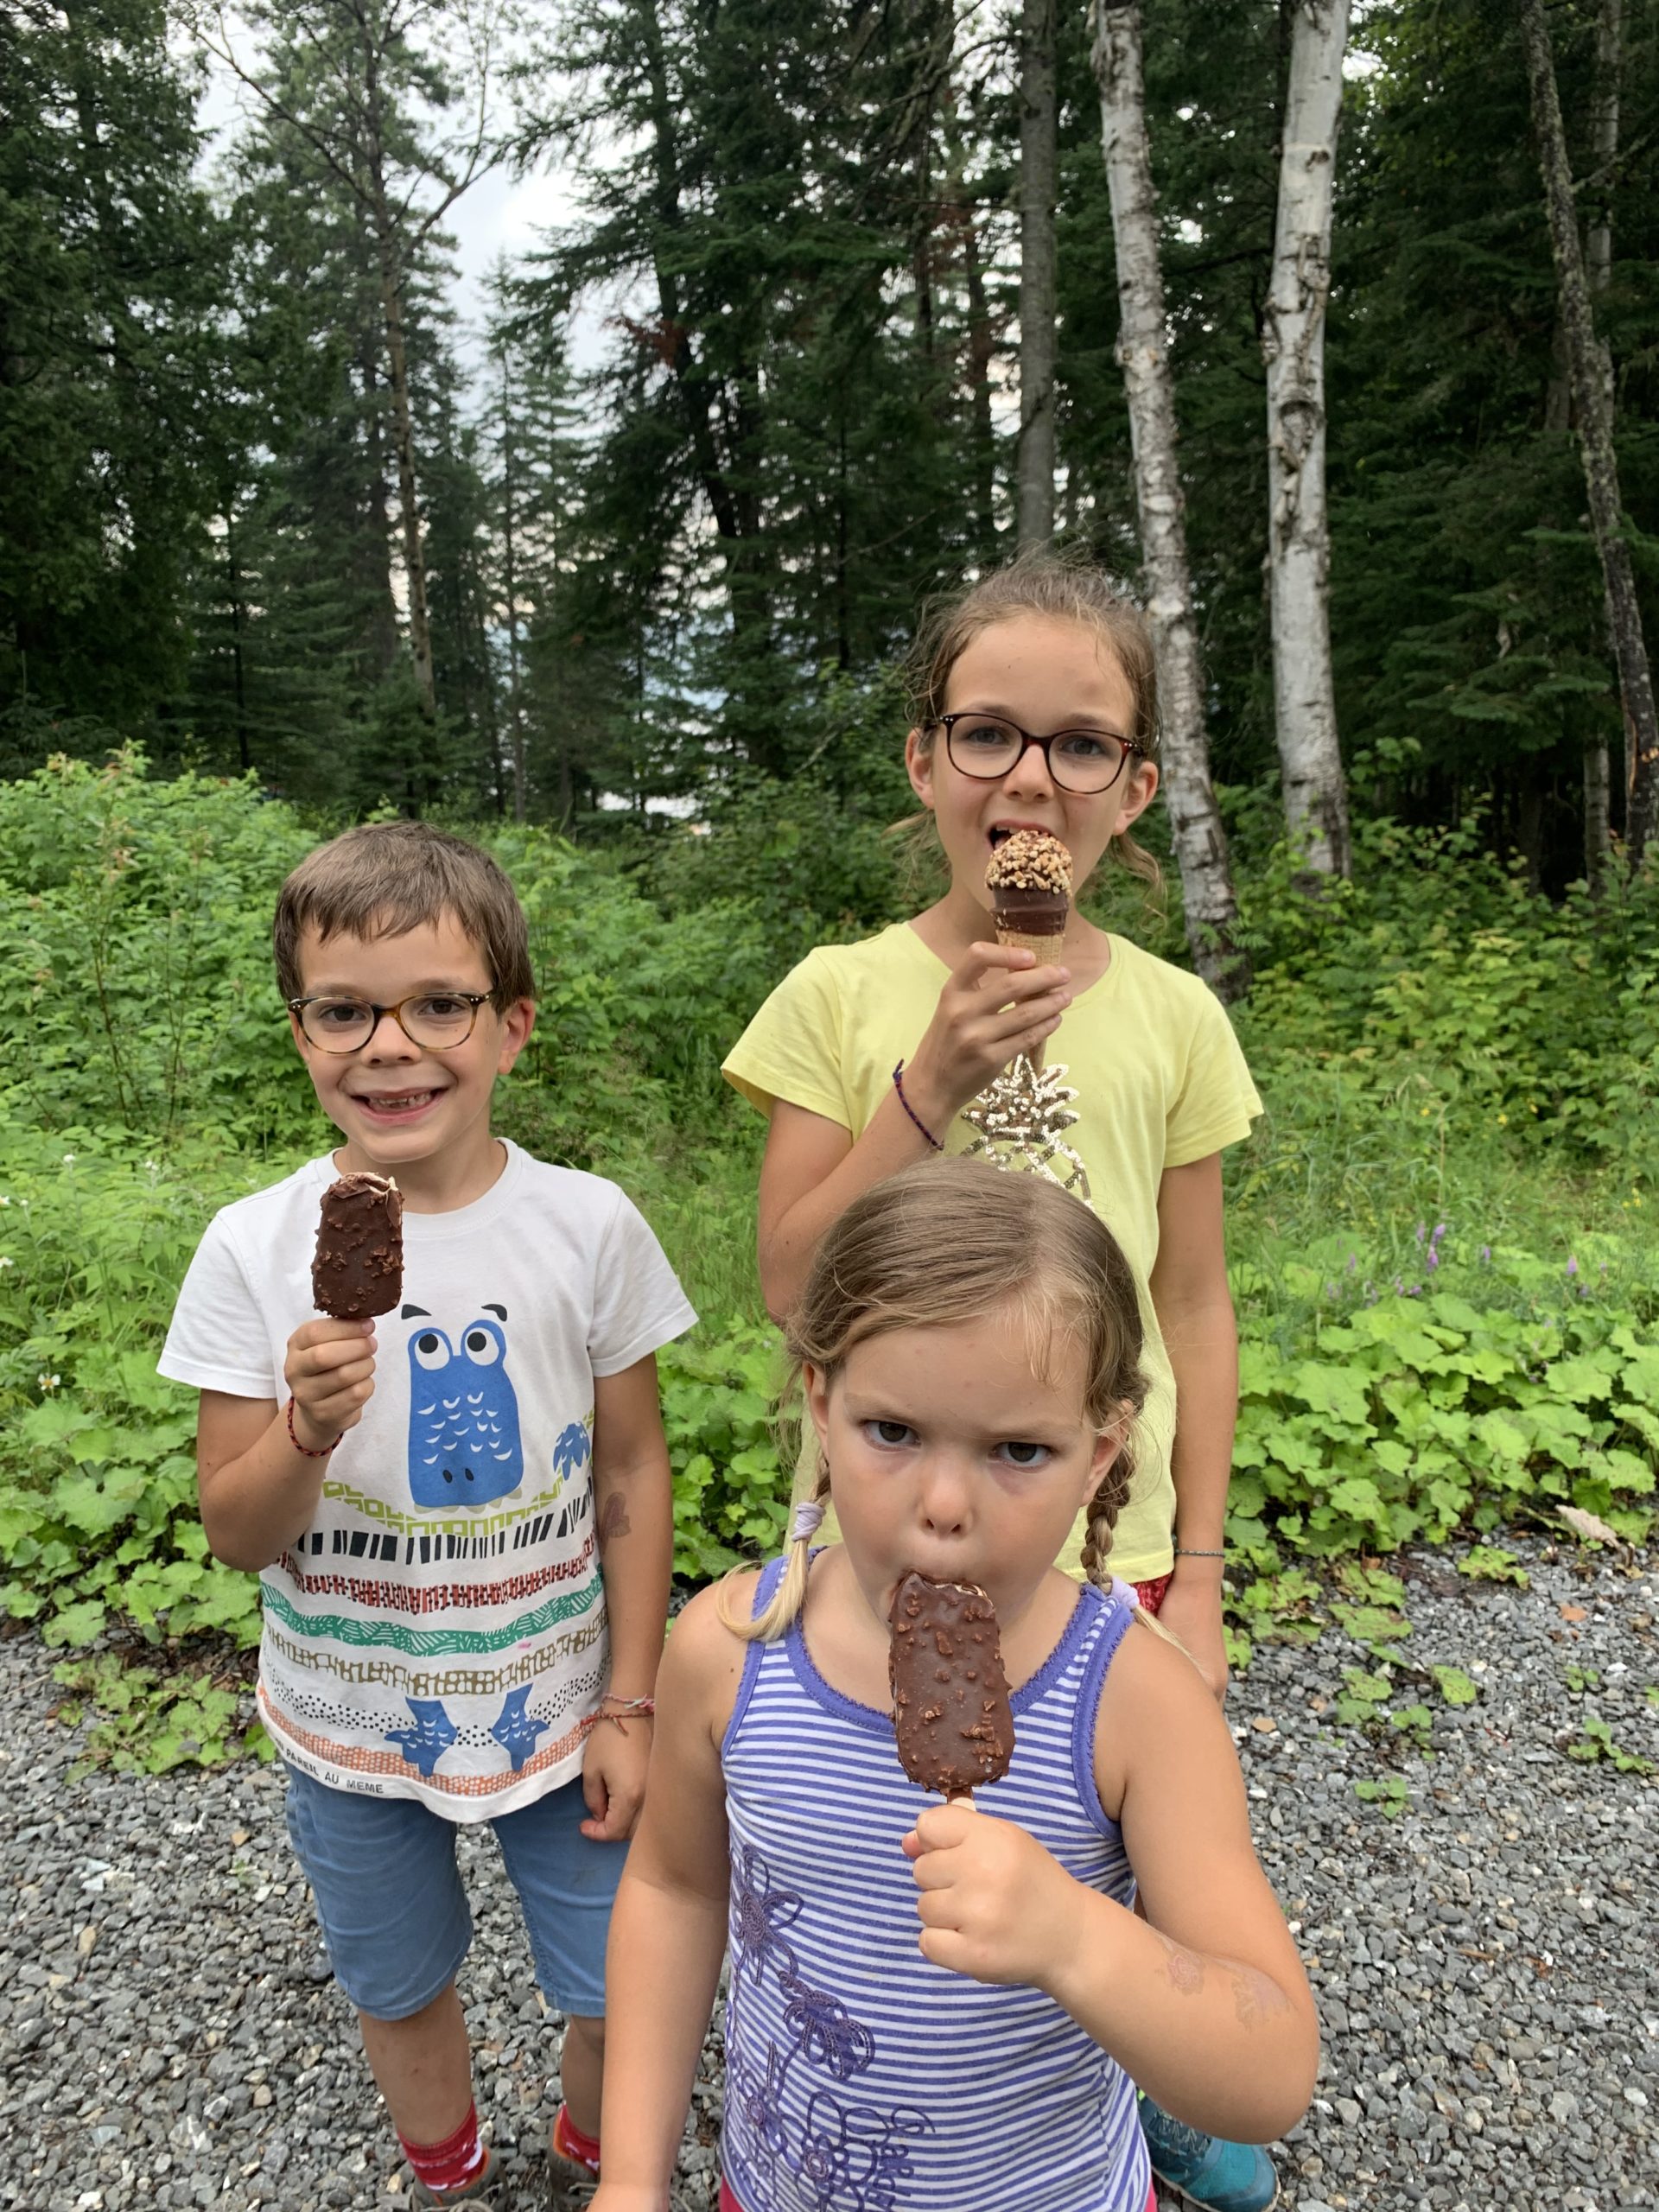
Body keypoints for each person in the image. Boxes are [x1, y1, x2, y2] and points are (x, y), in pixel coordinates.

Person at [721, 551, 1270, 2209]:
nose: (1031, 779)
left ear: (1136, 788)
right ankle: (897, 2072)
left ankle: (1138, 2077)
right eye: (988, 734)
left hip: (1102, 1530)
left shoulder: (1173, 1016)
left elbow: (1193, 1303)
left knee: (1110, 1826)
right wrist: (934, 1074)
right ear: (924, 761)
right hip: (885, 1511)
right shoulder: (842, 995)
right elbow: (786, 1283)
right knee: (890, 1819)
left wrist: (1201, 1571)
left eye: (1081, 743)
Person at [589, 1159, 1318, 2212]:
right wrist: (631, 2176)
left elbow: (1272, 2070)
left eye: (1018, 1449)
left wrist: (1076, 1939)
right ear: (822, 1403)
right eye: (893, 1432)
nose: (942, 1503)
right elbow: (675, 1891)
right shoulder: (730, 1650)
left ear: (1100, 1451)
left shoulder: (1136, 1703)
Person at [159, 823, 696, 2210]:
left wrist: (633, 1699)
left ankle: (590, 2156)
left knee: (616, 1976)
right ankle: (447, 2172)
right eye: (344, 1011)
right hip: (347, 1713)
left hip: (560, 1703)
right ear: (301, 1034)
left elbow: (632, 1470)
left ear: (512, 1026)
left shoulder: (588, 1227)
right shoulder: (253, 1248)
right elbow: (236, 1530)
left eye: (439, 1005)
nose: (390, 1046)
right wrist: (305, 1430)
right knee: (395, 1981)